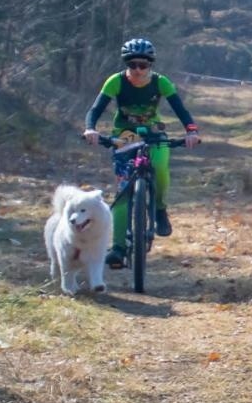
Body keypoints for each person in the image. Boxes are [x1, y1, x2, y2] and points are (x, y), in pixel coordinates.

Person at [80, 38, 201, 268]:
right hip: (124, 137)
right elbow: (95, 109)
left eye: (143, 65)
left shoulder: (161, 82)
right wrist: (90, 129)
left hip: (154, 134)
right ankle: (118, 248)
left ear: (151, 65)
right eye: (132, 64)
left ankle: (160, 209)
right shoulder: (115, 81)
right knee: (124, 190)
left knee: (160, 168)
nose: (137, 70)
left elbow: (181, 109)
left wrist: (191, 131)